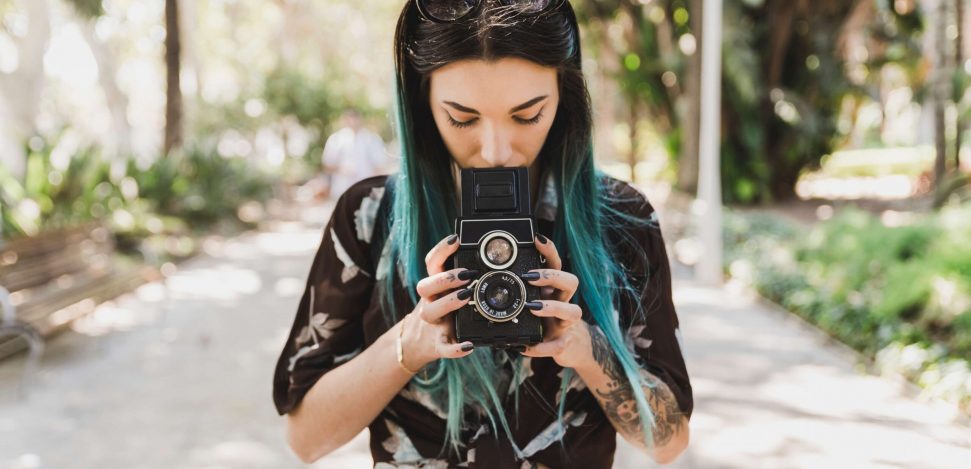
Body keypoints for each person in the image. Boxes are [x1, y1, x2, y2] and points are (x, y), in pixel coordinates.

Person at [272, 1, 693, 467]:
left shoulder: (620, 216)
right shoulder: (370, 217)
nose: (495, 151)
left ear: (565, 96)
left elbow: (669, 443)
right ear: (422, 103)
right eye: (463, 118)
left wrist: (587, 349)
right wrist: (409, 344)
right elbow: (305, 441)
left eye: (527, 115)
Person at [321, 108, 389, 198]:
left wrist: (375, 188)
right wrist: (341, 169)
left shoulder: (372, 139)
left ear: (360, 119)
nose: (352, 122)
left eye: (355, 118)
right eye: (349, 119)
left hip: (366, 192)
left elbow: (380, 166)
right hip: (342, 192)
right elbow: (327, 165)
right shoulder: (335, 139)